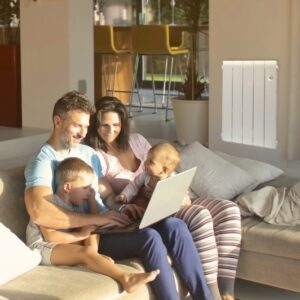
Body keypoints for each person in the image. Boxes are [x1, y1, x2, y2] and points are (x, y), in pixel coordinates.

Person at [24, 90, 212, 300]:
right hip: (89, 233)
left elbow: (105, 193)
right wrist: (98, 219)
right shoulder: (43, 162)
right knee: (149, 238)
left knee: (175, 226)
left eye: (86, 127)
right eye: (77, 126)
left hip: (106, 224)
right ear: (57, 122)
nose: (83, 133)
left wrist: (121, 208)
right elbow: (39, 211)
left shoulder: (87, 153)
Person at [86, 96, 242, 300]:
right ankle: (211, 295)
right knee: (200, 216)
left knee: (229, 209)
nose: (110, 131)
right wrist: (126, 205)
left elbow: (164, 164)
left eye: (116, 124)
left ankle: (227, 293)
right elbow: (108, 198)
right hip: (145, 211)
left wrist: (180, 192)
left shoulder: (138, 140)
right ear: (95, 125)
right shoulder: (95, 155)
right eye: (104, 125)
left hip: (167, 200)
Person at [26, 156, 159, 293]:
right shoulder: (52, 204)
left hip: (61, 244)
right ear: (67, 187)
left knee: (91, 231)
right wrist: (80, 235)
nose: (90, 191)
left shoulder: (75, 205)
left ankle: (94, 257)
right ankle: (126, 278)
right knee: (86, 249)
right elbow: (50, 237)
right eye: (86, 188)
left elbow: (92, 223)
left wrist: (91, 201)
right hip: (42, 248)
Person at [115, 142, 188, 209]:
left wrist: (182, 198)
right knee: (139, 202)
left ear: (164, 170)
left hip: (167, 206)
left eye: (151, 162)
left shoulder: (172, 179)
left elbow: (182, 189)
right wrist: (125, 195)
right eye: (147, 159)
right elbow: (134, 185)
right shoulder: (145, 176)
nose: (145, 162)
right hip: (151, 205)